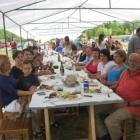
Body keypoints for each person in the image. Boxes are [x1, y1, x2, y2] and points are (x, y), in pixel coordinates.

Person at [95, 53, 140, 140]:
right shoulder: (126, 71)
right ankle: (104, 135)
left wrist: (127, 103)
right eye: (130, 60)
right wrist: (106, 89)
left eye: (135, 61)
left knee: (110, 121)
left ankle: (117, 138)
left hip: (132, 106)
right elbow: (119, 84)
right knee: (95, 110)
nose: (131, 63)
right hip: (116, 99)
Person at [0, 55, 46, 139]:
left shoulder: (8, 74)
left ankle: (41, 124)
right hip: (10, 103)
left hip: (17, 98)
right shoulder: (1, 78)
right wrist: (29, 92)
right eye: (7, 63)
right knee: (38, 106)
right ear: (2, 65)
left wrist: (32, 85)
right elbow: (13, 91)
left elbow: (18, 85)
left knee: (39, 100)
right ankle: (38, 130)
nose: (10, 63)